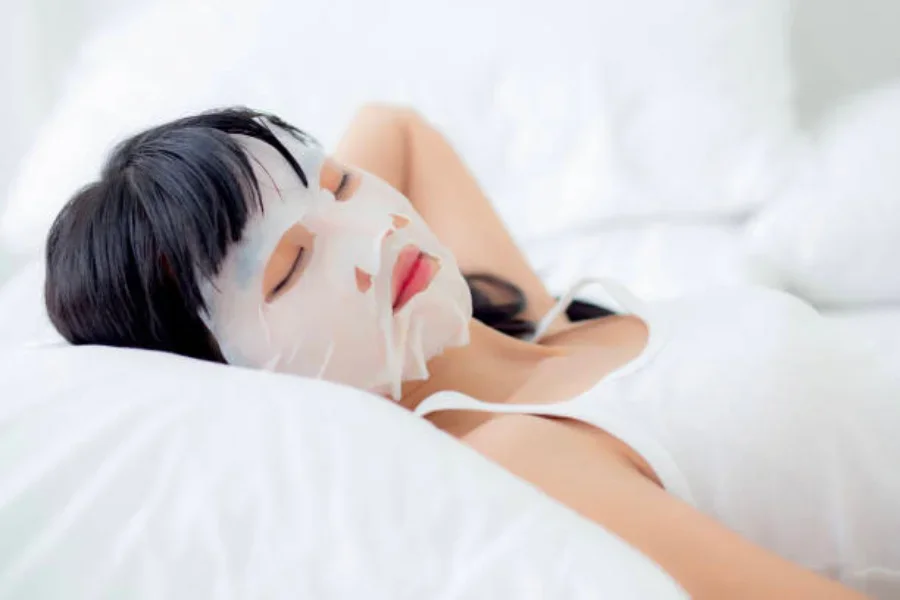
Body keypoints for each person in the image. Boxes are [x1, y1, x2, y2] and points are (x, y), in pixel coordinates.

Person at [44, 105, 898, 599]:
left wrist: (270, 205)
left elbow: (395, 128)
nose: (368, 237)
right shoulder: (533, 452)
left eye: (337, 182)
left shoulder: (536, 322)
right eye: (290, 267)